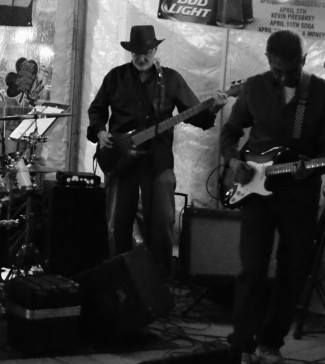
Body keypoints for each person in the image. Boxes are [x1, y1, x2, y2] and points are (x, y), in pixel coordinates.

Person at [220, 30, 325, 364]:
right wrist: (234, 160)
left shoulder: (322, 93)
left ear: (303, 61)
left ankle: (271, 344)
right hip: (256, 192)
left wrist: (313, 168)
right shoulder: (254, 87)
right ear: (268, 60)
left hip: (299, 195)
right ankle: (242, 345)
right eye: (277, 70)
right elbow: (230, 132)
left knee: (293, 270)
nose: (284, 77)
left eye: (290, 70)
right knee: (252, 269)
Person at [87, 25, 228, 272]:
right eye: (136, 53)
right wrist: (100, 132)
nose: (141, 58)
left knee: (162, 221)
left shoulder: (171, 79)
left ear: (155, 51)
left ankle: (159, 279)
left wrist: (214, 107)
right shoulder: (115, 77)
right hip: (119, 158)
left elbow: (197, 116)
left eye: (146, 52)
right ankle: (119, 277)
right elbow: (96, 110)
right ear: (130, 52)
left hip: (158, 160)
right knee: (117, 223)